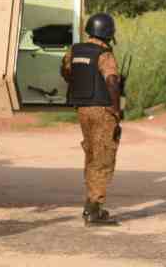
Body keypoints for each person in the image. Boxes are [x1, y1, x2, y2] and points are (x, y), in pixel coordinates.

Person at [61, 12, 123, 227]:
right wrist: (116, 109)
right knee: (103, 157)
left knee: (91, 153)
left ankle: (92, 204)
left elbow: (66, 72)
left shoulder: (75, 50)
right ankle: (93, 210)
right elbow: (112, 81)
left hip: (83, 109)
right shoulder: (104, 54)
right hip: (102, 110)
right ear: (108, 32)